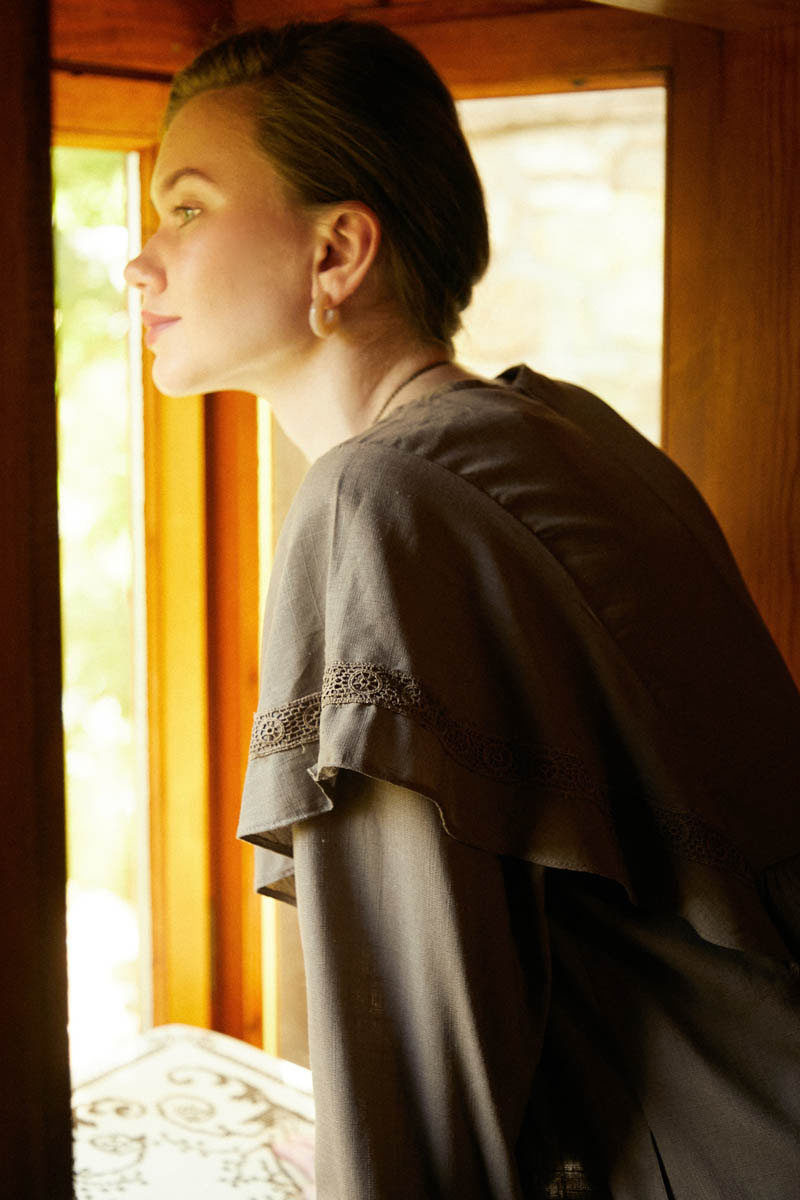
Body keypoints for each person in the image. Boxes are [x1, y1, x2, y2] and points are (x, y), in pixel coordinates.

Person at [125, 19, 800, 1198]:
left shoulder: (377, 501)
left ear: (337, 252)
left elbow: (416, 1076)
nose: (140, 264)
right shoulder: (569, 429)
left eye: (186, 209)